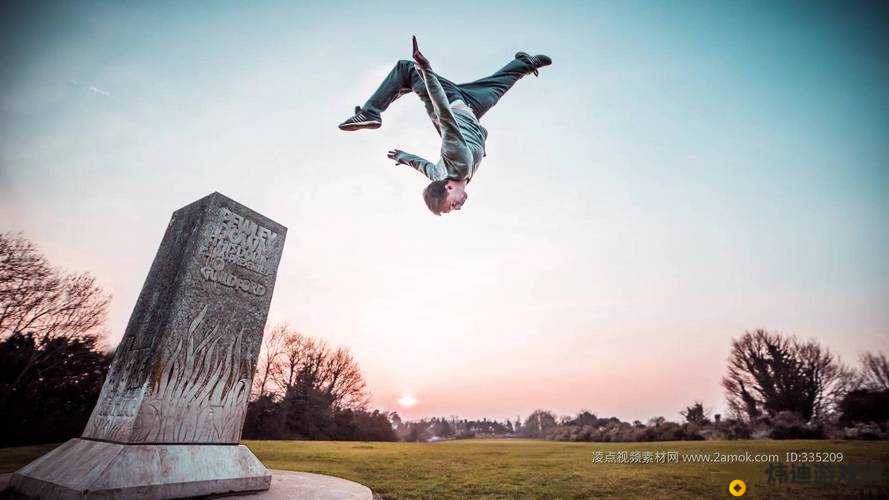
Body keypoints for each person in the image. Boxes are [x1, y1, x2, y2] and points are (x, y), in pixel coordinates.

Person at [339, 36, 551, 215]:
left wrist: (427, 71)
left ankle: (370, 113)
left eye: (452, 205)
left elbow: (443, 113)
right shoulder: (439, 176)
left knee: (407, 69)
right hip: (470, 108)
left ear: (449, 188)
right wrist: (402, 157)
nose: (458, 208)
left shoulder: (455, 157)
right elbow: (422, 166)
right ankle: (525, 62)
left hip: (448, 102)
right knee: (497, 87)